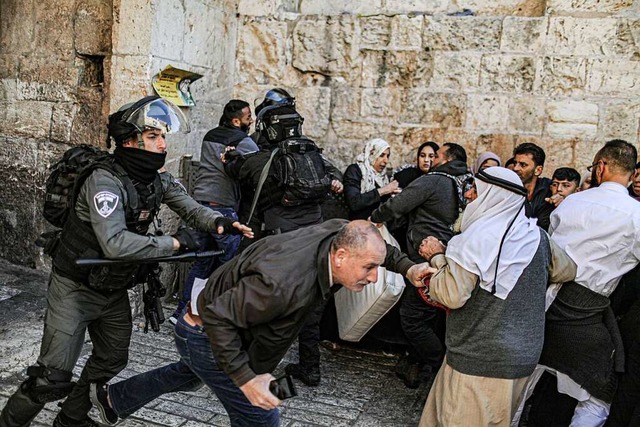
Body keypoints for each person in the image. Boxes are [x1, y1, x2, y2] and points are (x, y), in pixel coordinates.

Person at [0, 96, 253, 427]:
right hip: (74, 288)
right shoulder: (103, 181)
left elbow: (187, 205)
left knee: (111, 360)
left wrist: (219, 222)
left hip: (114, 287)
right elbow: (115, 243)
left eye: (163, 136)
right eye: (153, 137)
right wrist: (175, 243)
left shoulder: (155, 178)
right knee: (51, 377)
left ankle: (70, 419)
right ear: (130, 141)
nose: (163, 143)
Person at [87, 220, 432, 427]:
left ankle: (112, 399)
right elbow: (219, 318)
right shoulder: (281, 284)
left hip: (226, 333)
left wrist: (407, 267)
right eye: (368, 268)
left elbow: (373, 238)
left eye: (376, 267)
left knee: (190, 375)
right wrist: (247, 380)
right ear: (340, 256)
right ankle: (112, 398)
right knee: (262, 417)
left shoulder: (338, 232)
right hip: (206, 333)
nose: (373, 278)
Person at [416, 167, 576, 427]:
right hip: (522, 357)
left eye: (475, 189)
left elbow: (451, 294)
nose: (468, 194)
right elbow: (568, 271)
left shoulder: (476, 239)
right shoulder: (538, 237)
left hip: (478, 359)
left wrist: (437, 256)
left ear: (494, 197)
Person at [519, 139, 640, 426]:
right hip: (586, 314)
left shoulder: (573, 201)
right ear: (632, 173)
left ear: (601, 167)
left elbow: (550, 246)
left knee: (519, 387)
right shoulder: (637, 216)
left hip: (545, 305)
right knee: (599, 397)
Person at [226, 101, 343, 387]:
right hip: (316, 244)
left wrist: (230, 158)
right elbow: (334, 177)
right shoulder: (313, 156)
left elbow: (237, 170)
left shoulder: (263, 160)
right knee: (311, 310)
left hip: (282, 245)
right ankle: (310, 369)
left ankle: (251, 373)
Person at [371, 142, 471, 388]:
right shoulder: (467, 183)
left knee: (413, 318)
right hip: (451, 257)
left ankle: (443, 369)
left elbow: (399, 204)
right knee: (432, 317)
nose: (432, 160)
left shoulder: (436, 179)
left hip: (425, 259)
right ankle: (417, 365)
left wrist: (374, 219)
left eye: (437, 155)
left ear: (447, 159)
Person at [169, 100, 258, 324]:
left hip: (200, 205)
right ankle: (213, 318)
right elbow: (260, 162)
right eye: (248, 117)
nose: (252, 121)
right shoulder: (242, 140)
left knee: (202, 263)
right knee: (227, 266)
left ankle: (181, 313)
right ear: (236, 121)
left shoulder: (210, 135)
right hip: (222, 208)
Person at [343, 138, 401, 220]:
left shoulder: (383, 177)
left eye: (387, 156)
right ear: (371, 154)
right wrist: (383, 190)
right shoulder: (355, 170)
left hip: (379, 223)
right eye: (381, 155)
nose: (386, 160)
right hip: (360, 224)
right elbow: (354, 203)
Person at [511, 143, 554, 231]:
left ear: (538, 170)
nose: (515, 168)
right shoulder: (508, 189)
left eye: (523, 165)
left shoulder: (549, 189)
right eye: (515, 163)